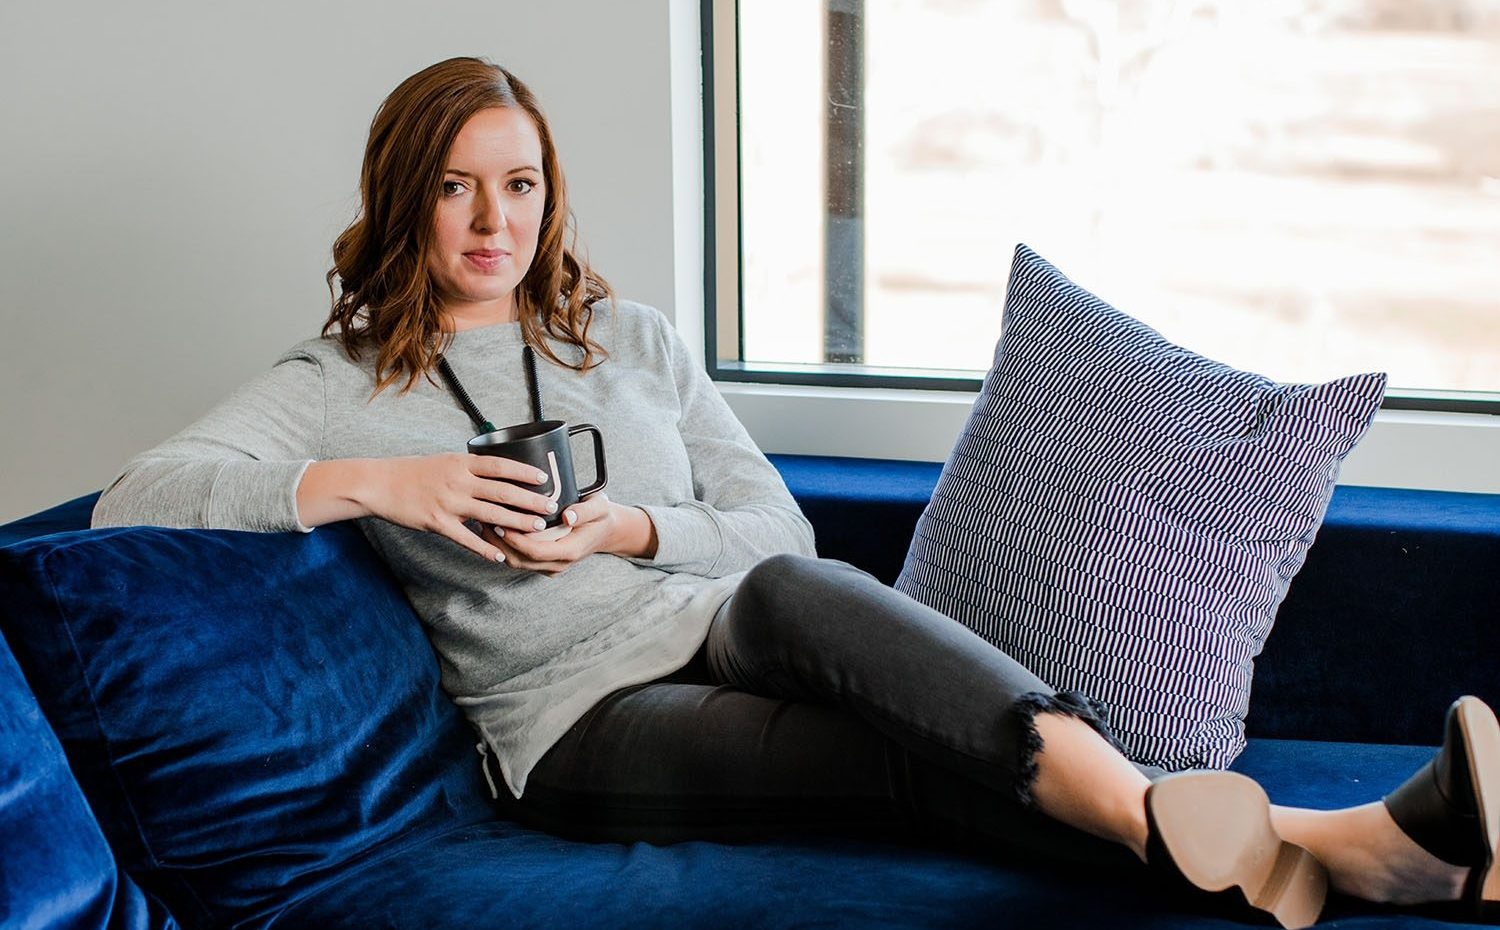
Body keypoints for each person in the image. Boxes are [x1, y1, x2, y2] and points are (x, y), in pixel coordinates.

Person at [91, 56, 1495, 929]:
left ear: (548, 194)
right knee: (900, 768)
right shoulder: (341, 376)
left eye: (518, 184)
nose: (492, 222)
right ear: (407, 201)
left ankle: (1354, 856)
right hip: (577, 721)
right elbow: (140, 496)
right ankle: (1357, 847)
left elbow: (776, 527)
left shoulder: (627, 339)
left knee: (797, 586)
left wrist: (636, 524)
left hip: (725, 614)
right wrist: (381, 479)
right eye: (456, 189)